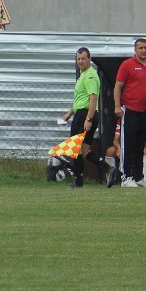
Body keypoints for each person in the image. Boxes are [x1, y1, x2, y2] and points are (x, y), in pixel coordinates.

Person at [112, 38, 146, 188]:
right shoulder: (127, 65)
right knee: (128, 144)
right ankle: (125, 177)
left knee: (140, 145)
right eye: (140, 48)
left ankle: (138, 177)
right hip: (130, 110)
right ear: (135, 50)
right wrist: (117, 106)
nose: (143, 50)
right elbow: (118, 86)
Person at [61, 47, 113, 188]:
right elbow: (81, 99)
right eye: (78, 59)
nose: (80, 61)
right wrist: (69, 113)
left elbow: (93, 98)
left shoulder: (90, 76)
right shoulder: (82, 75)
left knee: (75, 149)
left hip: (85, 115)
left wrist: (88, 119)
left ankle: (78, 182)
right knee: (84, 151)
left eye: (83, 58)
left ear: (89, 59)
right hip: (82, 114)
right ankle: (108, 168)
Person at [105, 116, 146, 186]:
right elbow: (116, 140)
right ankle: (112, 180)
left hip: (141, 148)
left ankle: (144, 181)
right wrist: (120, 149)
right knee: (110, 151)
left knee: (145, 150)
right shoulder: (122, 119)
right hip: (126, 147)